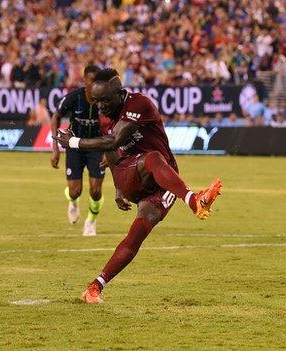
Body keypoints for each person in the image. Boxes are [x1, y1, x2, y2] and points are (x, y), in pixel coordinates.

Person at [53, 68, 222, 304]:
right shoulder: (104, 117)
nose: (100, 107)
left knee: (137, 234)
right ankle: (195, 201)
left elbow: (114, 140)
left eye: (105, 100)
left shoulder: (139, 104)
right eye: (96, 101)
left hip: (165, 180)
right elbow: (111, 149)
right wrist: (119, 188)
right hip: (131, 171)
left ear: (120, 94)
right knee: (152, 158)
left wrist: (72, 141)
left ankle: (95, 287)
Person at [51, 65, 105, 236]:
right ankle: (73, 202)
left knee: (96, 191)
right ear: (85, 82)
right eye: (92, 82)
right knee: (75, 191)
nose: (95, 86)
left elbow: (114, 126)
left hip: (96, 146)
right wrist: (55, 148)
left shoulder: (105, 101)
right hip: (74, 145)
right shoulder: (75, 97)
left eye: (98, 82)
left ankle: (91, 220)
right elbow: (56, 116)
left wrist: (109, 151)